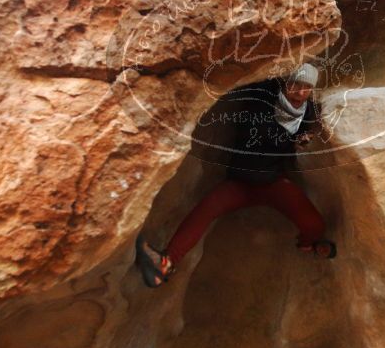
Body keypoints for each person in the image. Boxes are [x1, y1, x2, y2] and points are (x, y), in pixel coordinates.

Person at [135, 62, 337, 288]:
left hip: (273, 183)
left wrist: (305, 136)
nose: (300, 92)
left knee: (315, 226)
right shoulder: (261, 98)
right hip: (240, 182)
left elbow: (302, 134)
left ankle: (308, 244)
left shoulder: (307, 111)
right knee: (206, 210)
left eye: (307, 87)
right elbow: (263, 131)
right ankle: (166, 263)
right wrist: (294, 139)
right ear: (285, 83)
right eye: (296, 84)